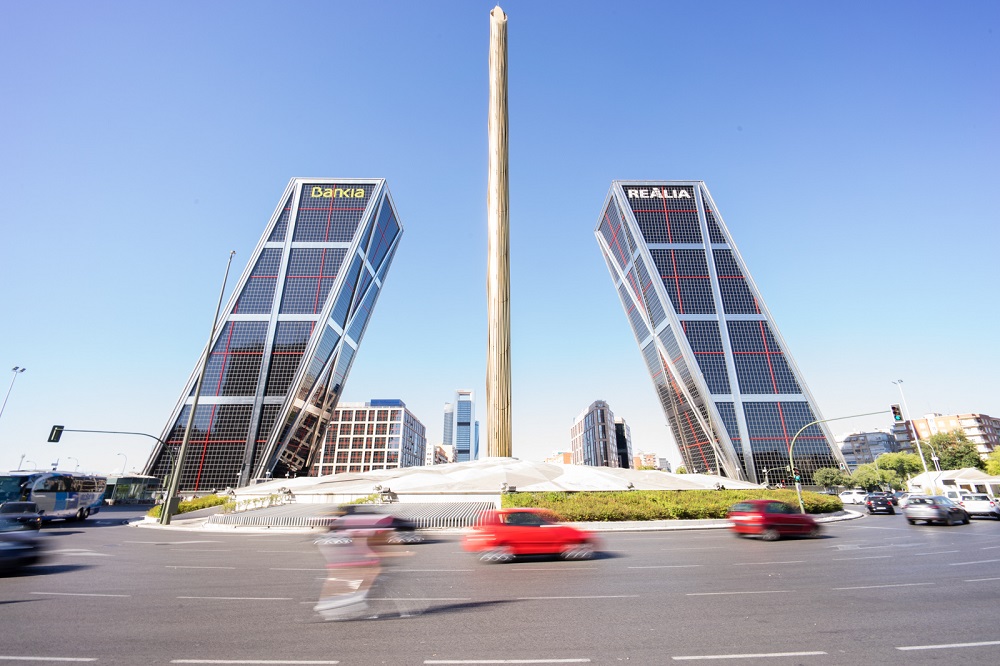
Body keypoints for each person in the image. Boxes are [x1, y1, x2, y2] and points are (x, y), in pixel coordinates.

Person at [314, 513, 394, 620]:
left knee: (341, 573)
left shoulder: (357, 525)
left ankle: (352, 596)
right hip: (353, 552)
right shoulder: (376, 527)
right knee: (371, 570)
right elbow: (371, 543)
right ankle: (356, 596)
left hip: (350, 551)